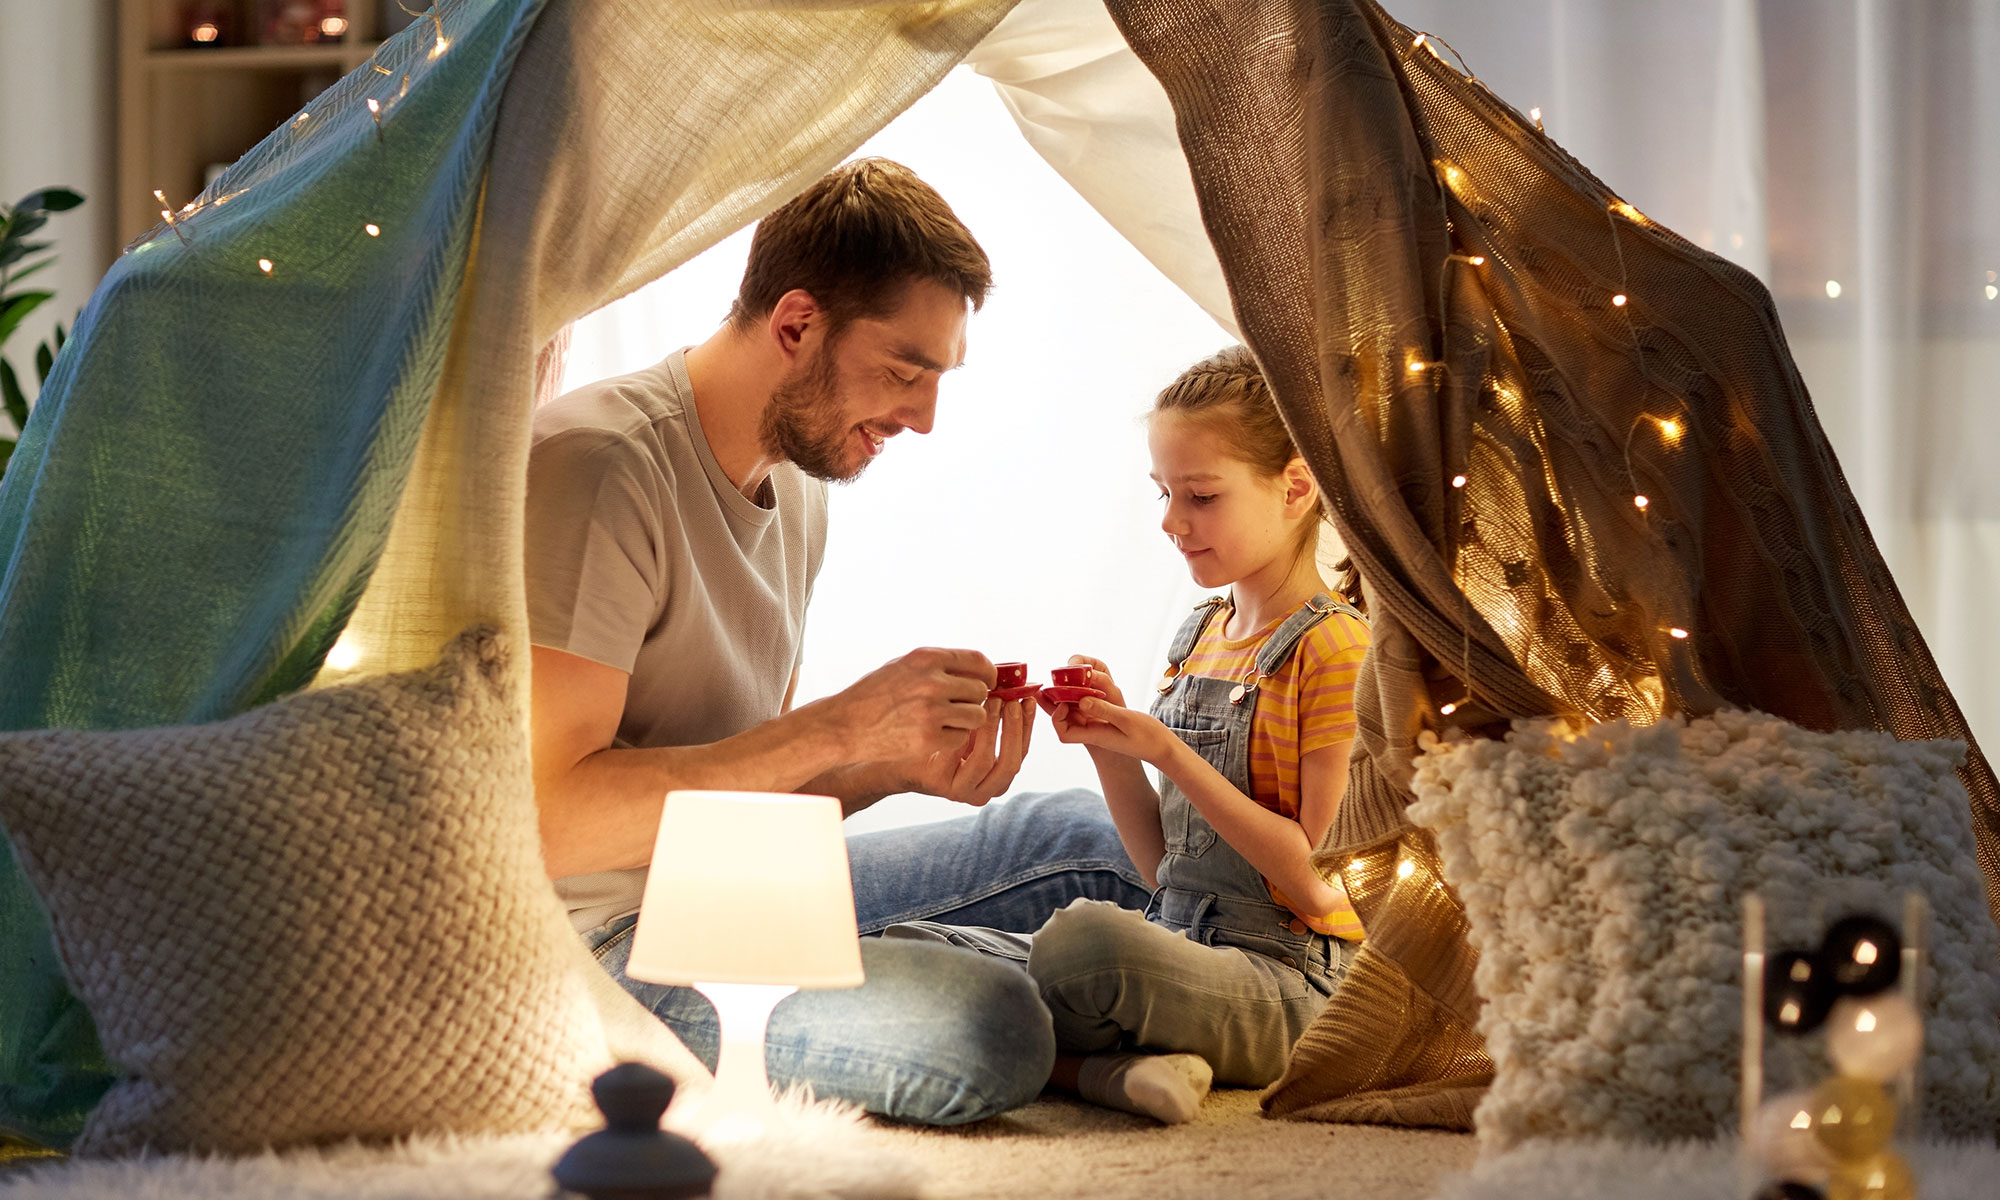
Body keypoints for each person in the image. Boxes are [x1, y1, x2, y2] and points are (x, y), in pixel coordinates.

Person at [523, 158, 1144, 1126]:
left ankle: (1073, 994)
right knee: (987, 1028)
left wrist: (888, 764)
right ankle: (1056, 1007)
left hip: (732, 886)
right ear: (796, 324)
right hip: (604, 949)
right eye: (904, 371)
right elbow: (549, 821)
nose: (922, 419)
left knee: (1093, 841)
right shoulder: (597, 467)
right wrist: (840, 724)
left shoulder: (800, 486)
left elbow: (744, 799)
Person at [888, 345, 1371, 1123]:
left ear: (1295, 488)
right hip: (1175, 941)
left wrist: (1166, 749)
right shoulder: (1200, 636)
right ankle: (1105, 1073)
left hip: (1284, 980)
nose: (1172, 523)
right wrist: (1112, 749)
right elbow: (1162, 872)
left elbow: (1320, 882)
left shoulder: (1336, 649)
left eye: (1201, 497)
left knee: (1084, 948)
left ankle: (1075, 1059)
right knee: (909, 951)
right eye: (1163, 493)